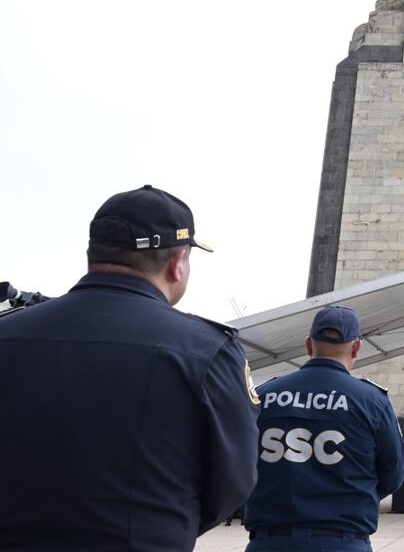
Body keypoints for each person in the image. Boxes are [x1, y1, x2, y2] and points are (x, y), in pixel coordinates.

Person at [0, 184, 260, 551]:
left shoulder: (7, 335)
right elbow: (234, 481)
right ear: (177, 263)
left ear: (93, 253)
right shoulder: (207, 351)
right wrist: (159, 523)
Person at [245, 306, 404, 551]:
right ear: (356, 347)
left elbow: (237, 466)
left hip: (270, 540)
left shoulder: (264, 396)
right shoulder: (372, 402)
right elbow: (392, 475)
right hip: (343, 541)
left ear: (308, 344)